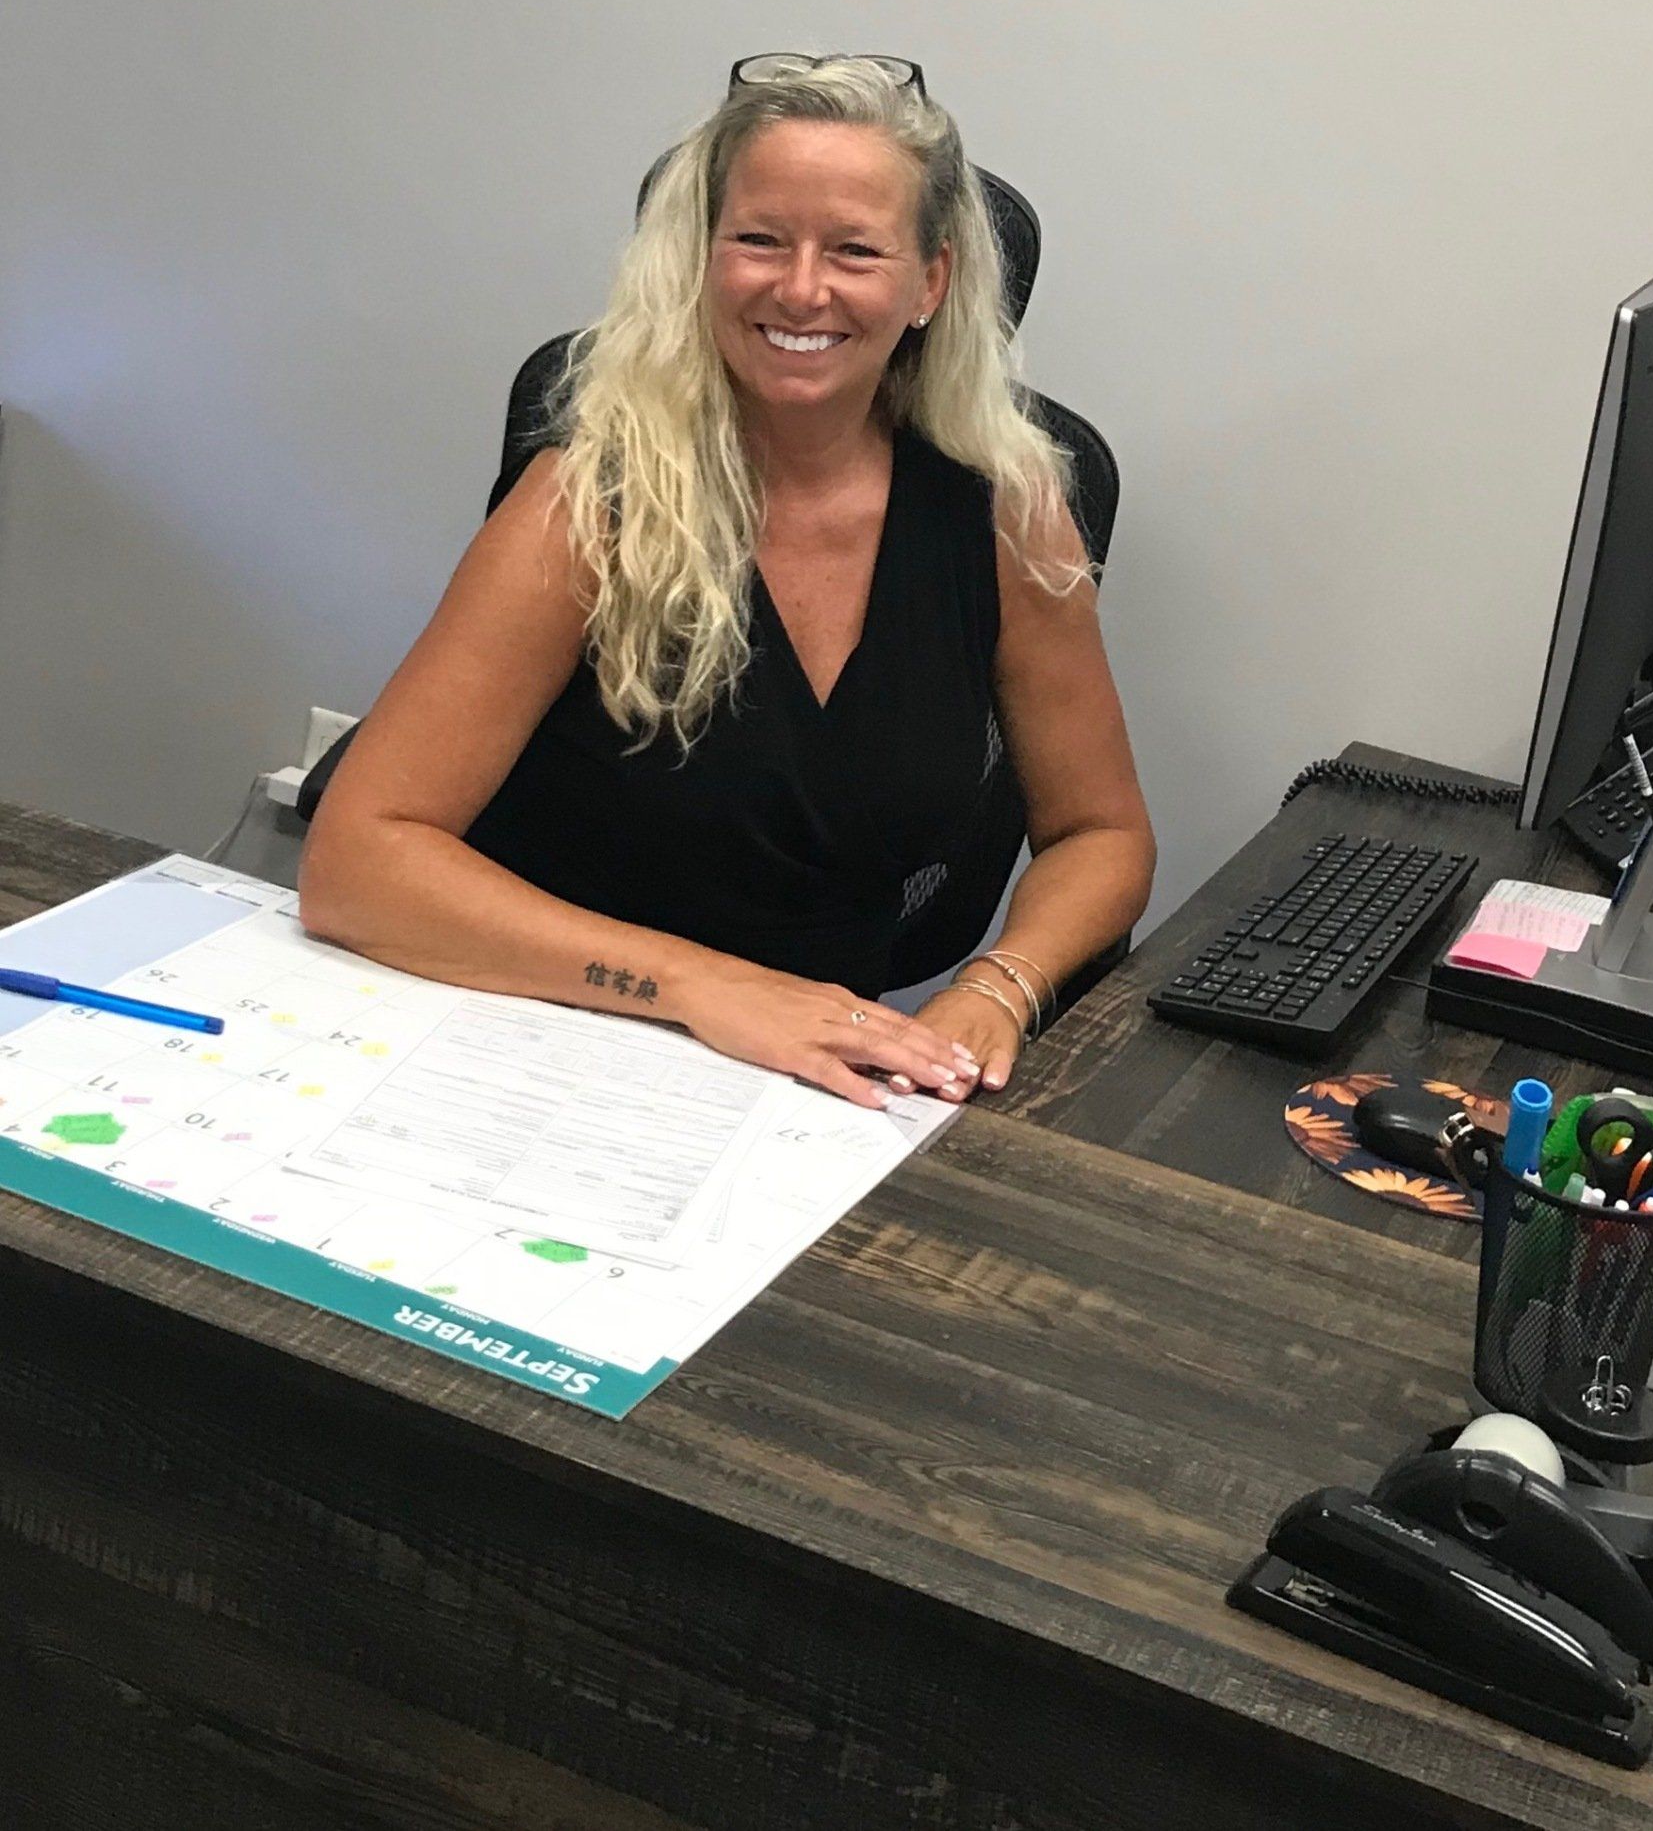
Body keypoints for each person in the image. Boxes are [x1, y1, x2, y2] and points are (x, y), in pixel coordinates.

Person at [300, 54, 1155, 1110]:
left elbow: (1102, 835)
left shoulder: (1009, 509)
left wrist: (998, 984)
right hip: (531, 1026)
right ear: (701, 255)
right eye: (758, 239)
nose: (802, 288)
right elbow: (356, 861)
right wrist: (704, 986)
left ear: (929, 282)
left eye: (854, 250)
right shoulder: (590, 502)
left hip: (809, 1086)